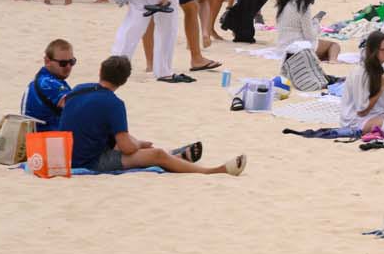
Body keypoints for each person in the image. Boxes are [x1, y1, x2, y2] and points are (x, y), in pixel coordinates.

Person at [50, 54, 243, 175]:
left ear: (101, 71)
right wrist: (139, 144)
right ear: (124, 80)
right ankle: (210, 171)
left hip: (65, 153)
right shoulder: (114, 103)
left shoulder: (79, 89)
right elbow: (126, 148)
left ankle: (173, 155)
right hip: (88, 161)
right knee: (156, 154)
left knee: (123, 138)